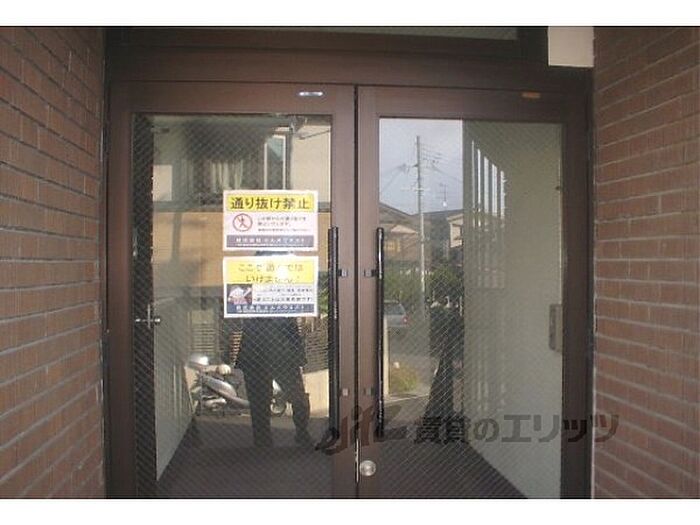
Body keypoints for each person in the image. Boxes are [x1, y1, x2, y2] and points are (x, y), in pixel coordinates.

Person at [236, 316, 313, 448]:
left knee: (298, 396)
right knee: (259, 401)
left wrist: (298, 354)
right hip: (257, 354)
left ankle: (302, 433)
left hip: (283, 354)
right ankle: (263, 440)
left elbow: (293, 326)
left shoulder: (284, 308)